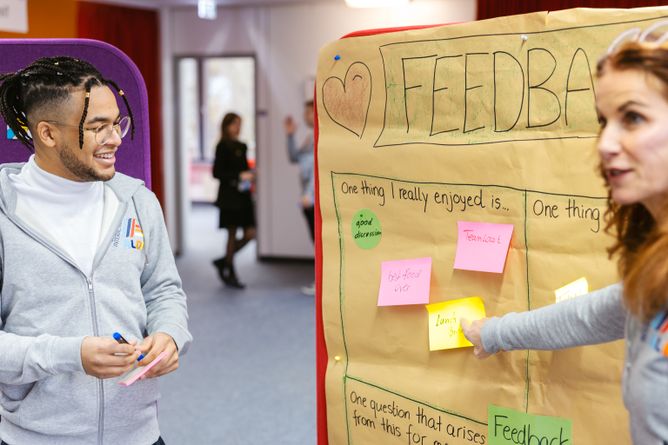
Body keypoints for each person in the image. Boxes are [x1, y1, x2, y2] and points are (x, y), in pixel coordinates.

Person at [461, 22, 668, 445]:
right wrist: (496, 333)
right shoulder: (656, 270)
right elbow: (598, 313)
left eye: (632, 118)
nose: (605, 143)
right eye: (604, 121)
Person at [0, 56, 192, 445]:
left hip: (139, 435)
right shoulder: (5, 212)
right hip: (36, 438)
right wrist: (70, 354)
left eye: (117, 123)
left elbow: (163, 291)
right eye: (97, 127)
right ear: (47, 134)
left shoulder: (137, 201)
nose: (116, 138)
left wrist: (170, 334)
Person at [212, 112, 256, 289]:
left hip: (243, 196)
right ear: (226, 126)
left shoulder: (242, 146)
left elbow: (244, 169)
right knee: (232, 233)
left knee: (250, 233)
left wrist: (250, 176)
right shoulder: (222, 146)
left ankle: (224, 260)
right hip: (229, 198)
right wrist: (238, 176)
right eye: (234, 124)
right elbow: (217, 173)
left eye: (239, 124)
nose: (237, 128)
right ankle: (230, 271)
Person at [284, 100, 315, 295]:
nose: (305, 116)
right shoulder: (310, 136)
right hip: (307, 198)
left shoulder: (322, 137)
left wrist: (309, 195)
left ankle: (322, 284)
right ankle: (321, 282)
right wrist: (290, 135)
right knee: (315, 241)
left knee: (319, 242)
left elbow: (318, 170)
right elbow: (294, 157)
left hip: (312, 199)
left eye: (308, 112)